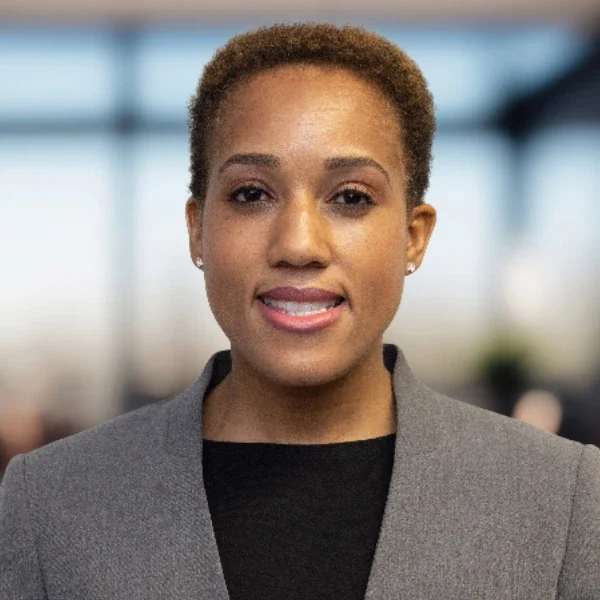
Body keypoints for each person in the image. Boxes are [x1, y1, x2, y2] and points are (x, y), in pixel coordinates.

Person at [1, 23, 598, 600]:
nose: (299, 245)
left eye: (351, 198)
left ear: (414, 237)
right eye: (251, 194)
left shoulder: (562, 497)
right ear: (197, 232)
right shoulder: (49, 501)